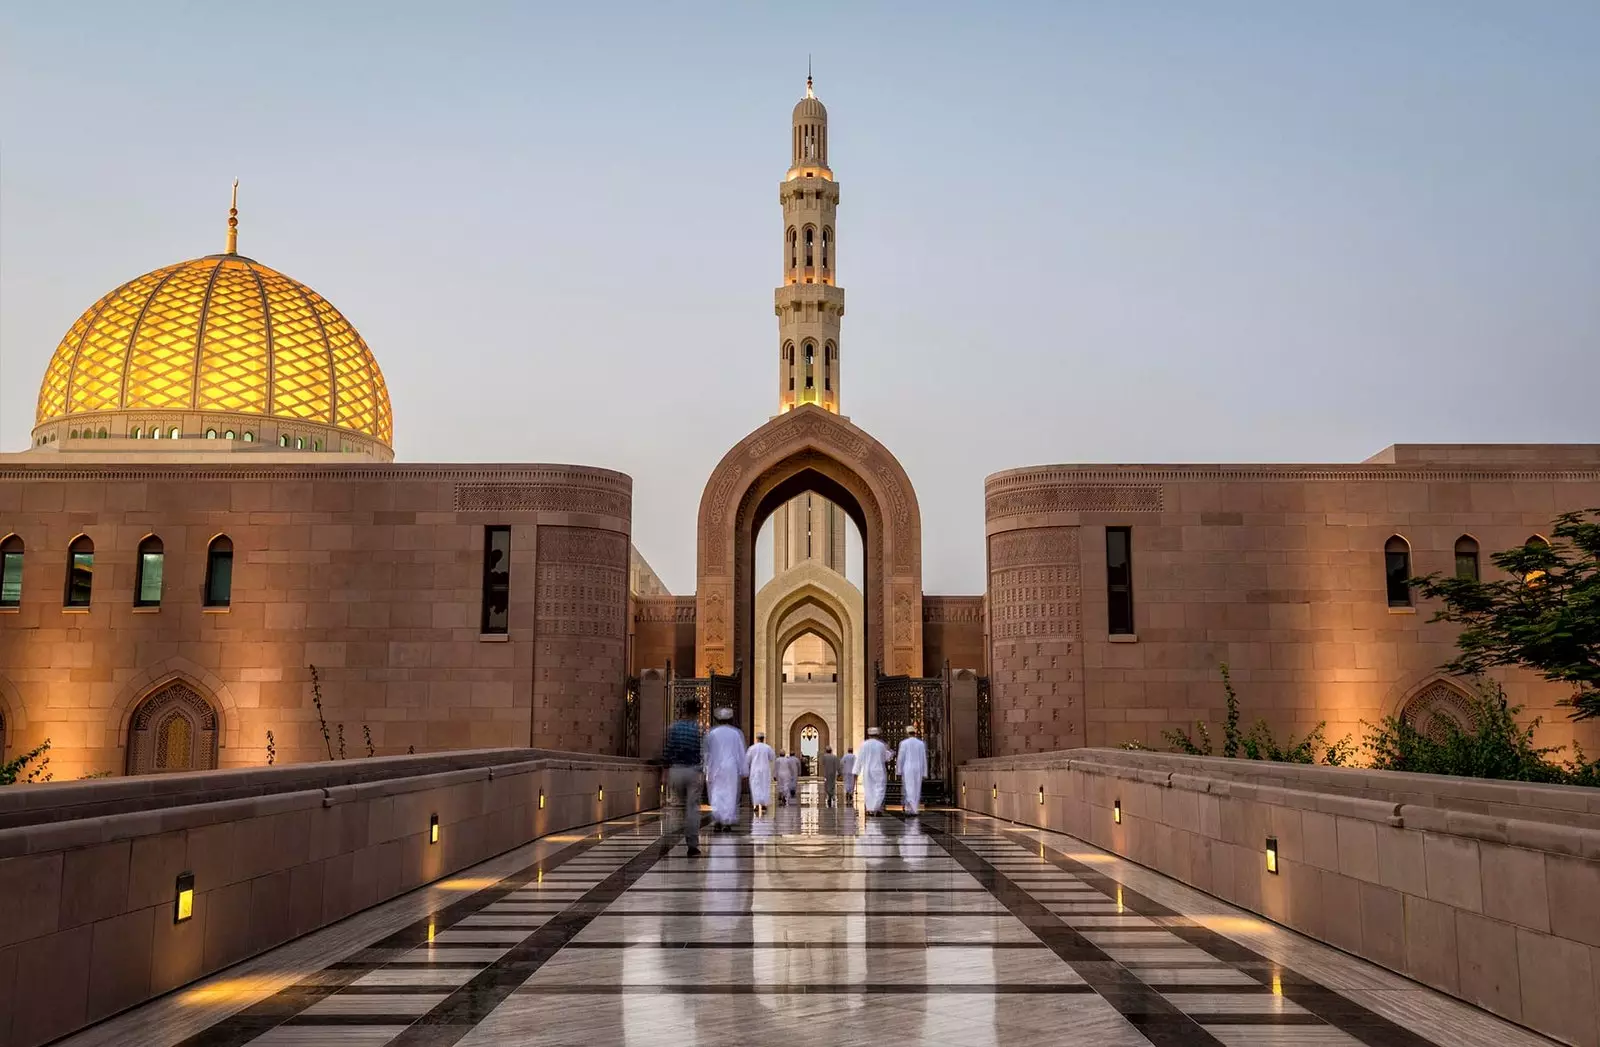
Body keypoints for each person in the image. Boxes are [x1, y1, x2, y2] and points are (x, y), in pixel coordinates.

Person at [662, 698, 704, 856]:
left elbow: (667, 750)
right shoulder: (698, 730)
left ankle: (667, 839)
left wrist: (665, 772)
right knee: (692, 809)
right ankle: (692, 845)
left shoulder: (673, 728)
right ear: (696, 713)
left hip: (676, 771)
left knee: (676, 807)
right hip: (693, 771)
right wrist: (701, 772)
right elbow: (702, 753)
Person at [703, 707, 747, 831]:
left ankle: (717, 820)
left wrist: (706, 769)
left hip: (715, 767)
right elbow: (740, 752)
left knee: (716, 793)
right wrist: (744, 770)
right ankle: (727, 821)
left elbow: (707, 753)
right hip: (731, 768)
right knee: (730, 793)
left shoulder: (712, 733)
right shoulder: (736, 733)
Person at [855, 728, 891, 817]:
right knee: (879, 789)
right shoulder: (881, 745)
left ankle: (870, 809)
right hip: (878, 769)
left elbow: (860, 758)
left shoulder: (864, 745)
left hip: (867, 770)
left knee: (869, 789)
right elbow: (886, 757)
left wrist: (856, 770)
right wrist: (889, 751)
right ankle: (876, 807)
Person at [896, 724, 928, 816]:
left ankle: (909, 809)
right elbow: (923, 758)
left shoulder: (903, 743)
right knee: (916, 788)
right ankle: (914, 809)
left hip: (908, 768)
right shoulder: (920, 743)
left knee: (908, 788)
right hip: (918, 768)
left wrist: (899, 770)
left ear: (907, 733)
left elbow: (900, 758)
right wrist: (924, 772)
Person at [746, 732, 776, 814]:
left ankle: (756, 805)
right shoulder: (767, 748)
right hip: (764, 769)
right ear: (763, 739)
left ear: (757, 739)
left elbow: (747, 760)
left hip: (755, 770)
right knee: (764, 787)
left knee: (755, 787)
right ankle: (763, 804)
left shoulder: (752, 748)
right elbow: (772, 757)